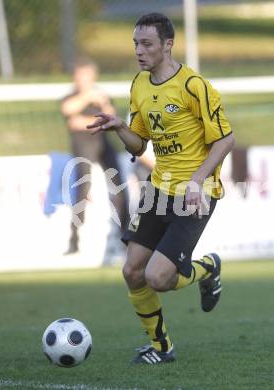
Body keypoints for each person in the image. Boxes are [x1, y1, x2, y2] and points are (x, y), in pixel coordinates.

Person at [87, 13, 235, 364]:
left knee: (158, 278)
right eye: (136, 43)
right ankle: (161, 348)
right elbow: (139, 146)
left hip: (194, 194)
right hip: (158, 190)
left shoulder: (193, 86)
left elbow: (225, 140)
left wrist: (197, 180)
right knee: (132, 271)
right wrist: (121, 126)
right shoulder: (139, 84)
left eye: (147, 43)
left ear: (168, 45)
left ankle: (207, 268)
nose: (139, 50)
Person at [61, 58, 128, 259]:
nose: (84, 80)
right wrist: (87, 100)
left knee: (119, 187)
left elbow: (111, 117)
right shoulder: (73, 96)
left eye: (87, 76)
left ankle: (127, 235)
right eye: (80, 76)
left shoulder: (101, 95)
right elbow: (70, 116)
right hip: (83, 146)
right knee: (82, 190)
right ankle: (75, 240)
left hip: (103, 144)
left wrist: (99, 107)